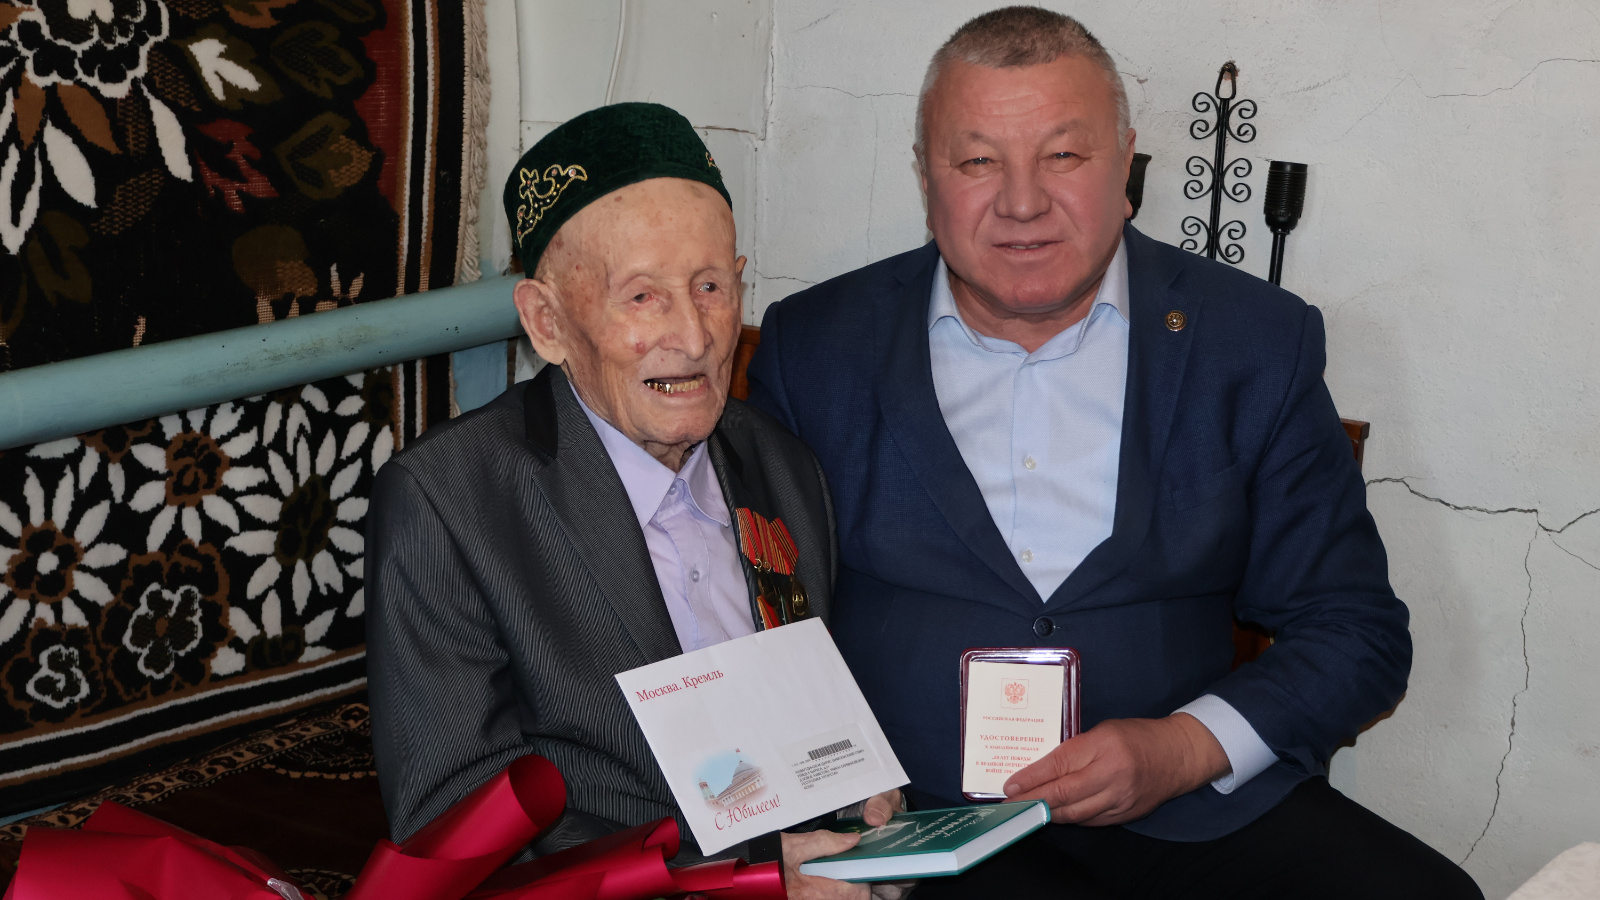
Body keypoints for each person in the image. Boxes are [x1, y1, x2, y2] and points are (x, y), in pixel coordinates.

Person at [746, 8, 1481, 898]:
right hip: (918, 822)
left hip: (1191, 812)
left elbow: (1355, 632)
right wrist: (822, 804)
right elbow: (751, 619)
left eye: (1063, 155)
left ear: (1125, 166)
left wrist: (1185, 747)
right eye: (977, 162)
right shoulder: (816, 347)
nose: (1022, 203)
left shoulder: (1251, 343)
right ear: (926, 176)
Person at [365, 102, 899, 900]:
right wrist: (743, 883)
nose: (694, 336)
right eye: (643, 297)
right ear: (548, 322)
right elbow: (457, 833)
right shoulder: (450, 503)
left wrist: (861, 799)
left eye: (711, 286)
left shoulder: (781, 465)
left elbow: (811, 713)